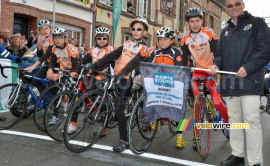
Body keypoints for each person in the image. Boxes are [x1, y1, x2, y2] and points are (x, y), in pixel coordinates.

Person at [209, 0, 270, 166]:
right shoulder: (225, 31)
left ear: (243, 4)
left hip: (250, 82)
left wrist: (249, 67)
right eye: (229, 6)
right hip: (230, 84)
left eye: (237, 4)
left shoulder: (257, 23)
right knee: (234, 120)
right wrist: (215, 65)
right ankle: (237, 155)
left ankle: (254, 162)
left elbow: (266, 50)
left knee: (251, 121)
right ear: (226, 9)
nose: (234, 7)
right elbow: (220, 55)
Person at [117, 26, 185, 148]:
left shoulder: (176, 52)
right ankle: (154, 118)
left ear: (171, 40)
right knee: (149, 98)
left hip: (172, 84)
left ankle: (180, 136)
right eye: (159, 39)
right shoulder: (154, 52)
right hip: (158, 84)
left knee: (178, 109)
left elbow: (179, 69)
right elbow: (145, 66)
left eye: (165, 39)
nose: (162, 42)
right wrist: (139, 76)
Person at [91, 17, 149, 153]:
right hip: (116, 76)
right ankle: (104, 126)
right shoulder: (126, 44)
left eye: (139, 29)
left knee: (119, 108)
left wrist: (122, 74)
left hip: (128, 78)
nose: (135, 31)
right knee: (101, 96)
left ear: (144, 33)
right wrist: (95, 66)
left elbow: (133, 62)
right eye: (134, 29)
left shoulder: (145, 48)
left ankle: (124, 141)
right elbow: (111, 55)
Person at [180, 8, 228, 131]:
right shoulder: (184, 38)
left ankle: (229, 123)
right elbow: (185, 59)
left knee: (217, 102)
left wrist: (216, 67)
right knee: (198, 104)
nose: (195, 24)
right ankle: (197, 135)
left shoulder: (209, 33)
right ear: (187, 23)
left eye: (197, 21)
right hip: (196, 72)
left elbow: (218, 53)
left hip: (211, 71)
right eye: (192, 21)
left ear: (201, 21)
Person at [46, 27, 81, 133]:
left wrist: (71, 74)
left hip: (75, 70)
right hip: (64, 71)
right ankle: (57, 112)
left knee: (73, 97)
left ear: (65, 38)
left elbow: (77, 65)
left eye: (60, 37)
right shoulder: (54, 48)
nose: (58, 40)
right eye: (56, 37)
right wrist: (50, 70)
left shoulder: (71, 49)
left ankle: (73, 124)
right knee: (55, 89)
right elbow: (52, 60)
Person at [24, 20, 54, 96]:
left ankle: (54, 101)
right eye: (42, 29)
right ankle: (44, 99)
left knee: (52, 85)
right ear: (40, 30)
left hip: (55, 63)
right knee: (35, 82)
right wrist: (39, 44)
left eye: (46, 28)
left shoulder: (54, 38)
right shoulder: (40, 38)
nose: (45, 30)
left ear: (50, 29)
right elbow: (39, 54)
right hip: (46, 62)